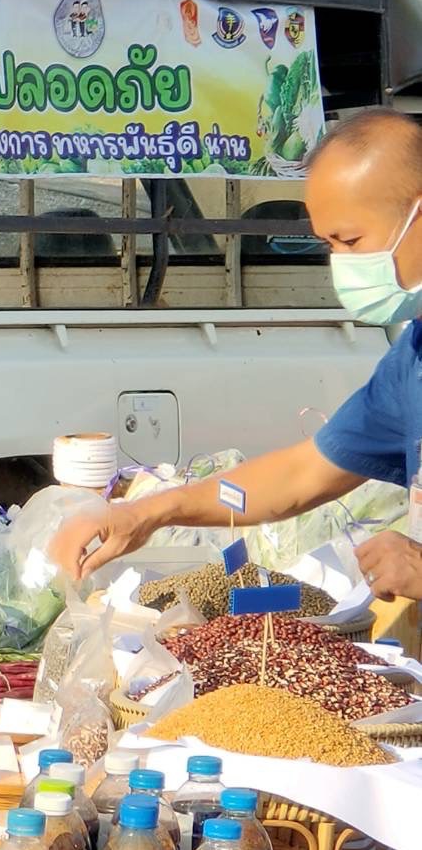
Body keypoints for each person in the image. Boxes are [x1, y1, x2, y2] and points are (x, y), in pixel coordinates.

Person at [50, 109, 422, 601]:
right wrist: (149, 513)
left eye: (351, 240)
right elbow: (299, 476)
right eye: (329, 244)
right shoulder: (411, 360)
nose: (343, 264)